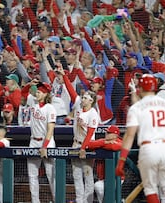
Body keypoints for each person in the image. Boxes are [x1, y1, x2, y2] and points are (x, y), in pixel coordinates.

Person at [115, 74, 165, 203]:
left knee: (151, 190)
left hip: (148, 148)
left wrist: (122, 159)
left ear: (140, 88)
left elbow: (129, 135)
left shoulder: (136, 107)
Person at [58, 67, 100, 203]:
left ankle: (87, 201)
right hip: (75, 143)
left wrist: (83, 148)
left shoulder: (93, 113)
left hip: (87, 145)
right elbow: (71, 90)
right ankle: (79, 200)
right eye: (83, 97)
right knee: (76, 175)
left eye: (86, 98)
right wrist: (64, 76)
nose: (83, 99)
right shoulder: (77, 105)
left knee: (88, 175)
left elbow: (91, 133)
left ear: (91, 101)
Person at [21, 79, 56, 203]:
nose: (37, 93)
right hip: (33, 142)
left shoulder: (50, 108)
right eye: (37, 91)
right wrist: (30, 84)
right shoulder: (33, 103)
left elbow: (50, 129)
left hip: (47, 143)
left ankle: (57, 200)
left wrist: (45, 147)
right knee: (32, 175)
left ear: (46, 94)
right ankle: (35, 201)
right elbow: (23, 94)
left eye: (40, 91)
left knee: (52, 175)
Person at [86, 125, 122, 203]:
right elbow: (88, 144)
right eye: (106, 132)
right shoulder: (104, 140)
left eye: (109, 132)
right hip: (103, 178)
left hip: (117, 179)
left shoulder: (120, 142)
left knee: (99, 187)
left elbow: (113, 146)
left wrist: (100, 145)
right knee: (99, 186)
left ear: (115, 135)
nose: (106, 133)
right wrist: (104, 142)